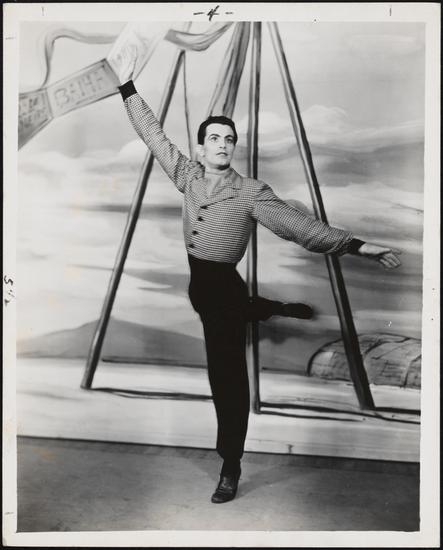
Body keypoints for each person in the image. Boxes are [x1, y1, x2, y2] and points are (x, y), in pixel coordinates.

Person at [115, 59, 401, 504]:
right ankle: (273, 309)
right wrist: (127, 88)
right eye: (215, 138)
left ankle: (230, 465)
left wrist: (357, 245)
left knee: (226, 379)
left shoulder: (251, 192)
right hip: (201, 290)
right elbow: (153, 135)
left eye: (230, 139)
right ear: (200, 148)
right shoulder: (187, 175)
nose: (223, 145)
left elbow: (298, 226)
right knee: (232, 310)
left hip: (223, 293)